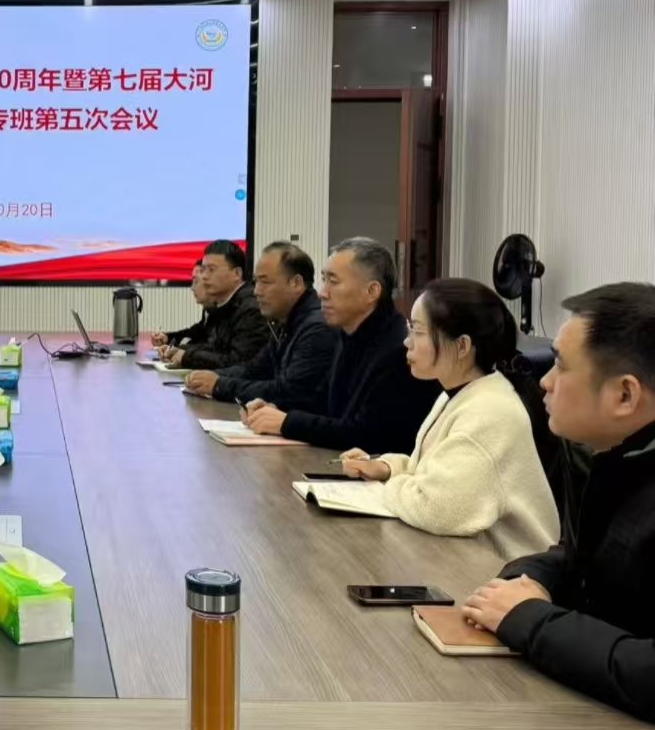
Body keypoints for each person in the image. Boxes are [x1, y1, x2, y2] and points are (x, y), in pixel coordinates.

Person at [463, 283, 655, 722]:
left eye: (561, 366)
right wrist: (525, 581)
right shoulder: (611, 455)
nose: (545, 382)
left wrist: (529, 619)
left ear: (624, 395)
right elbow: (582, 558)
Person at [340, 278, 559, 560]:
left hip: (503, 571)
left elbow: (436, 508)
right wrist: (386, 467)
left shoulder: (489, 413)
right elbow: (431, 472)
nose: (407, 341)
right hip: (464, 558)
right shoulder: (459, 393)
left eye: (418, 331)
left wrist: (383, 488)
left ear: (462, 346)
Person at [244, 237, 439, 454]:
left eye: (333, 281)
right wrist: (276, 409)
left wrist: (286, 422)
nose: (322, 292)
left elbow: (367, 434)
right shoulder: (347, 334)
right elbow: (324, 404)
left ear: (372, 291)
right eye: (323, 279)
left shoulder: (399, 349)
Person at [184, 242, 335, 411]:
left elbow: (289, 392)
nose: (256, 291)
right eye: (256, 282)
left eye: (265, 282)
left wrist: (219, 385)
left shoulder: (317, 329)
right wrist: (213, 376)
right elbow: (256, 369)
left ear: (296, 283)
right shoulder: (285, 321)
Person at [159, 240, 267, 371]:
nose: (204, 276)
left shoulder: (251, 309)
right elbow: (214, 348)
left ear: (237, 274)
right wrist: (180, 351)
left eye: (211, 270)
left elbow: (239, 363)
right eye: (203, 270)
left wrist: (187, 356)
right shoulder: (224, 304)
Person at [150, 260, 209, 349]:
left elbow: (211, 347)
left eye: (196, 281)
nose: (192, 288)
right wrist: (167, 338)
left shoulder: (224, 313)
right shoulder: (209, 310)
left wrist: (183, 351)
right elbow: (196, 332)